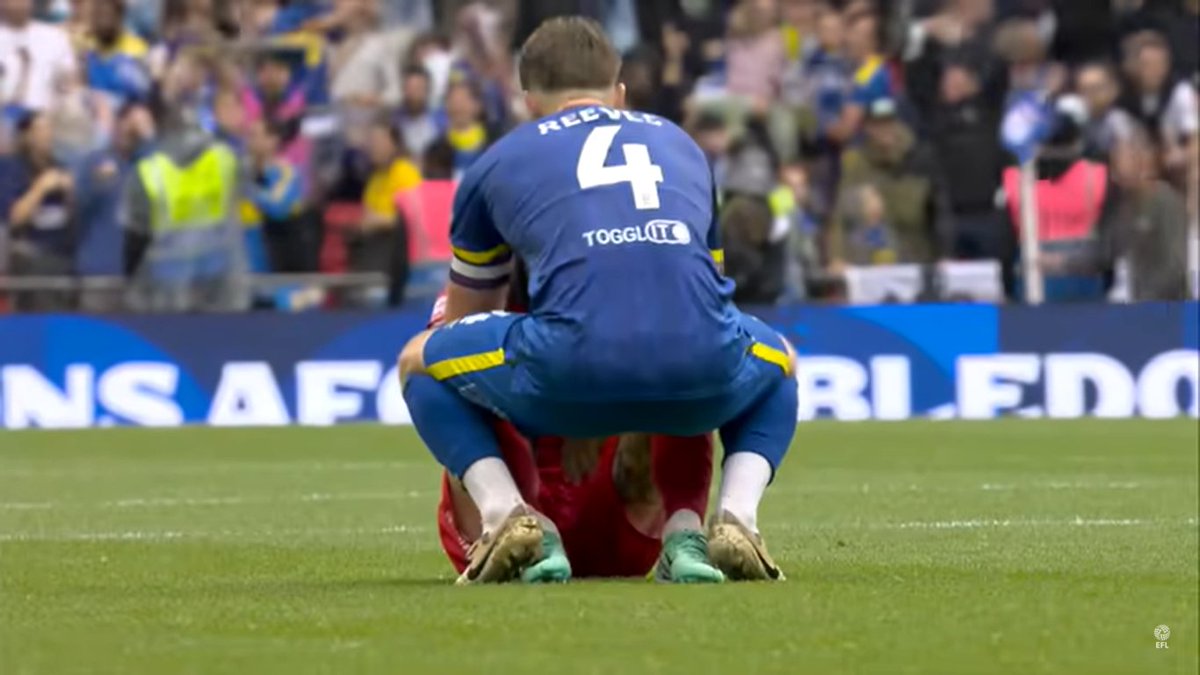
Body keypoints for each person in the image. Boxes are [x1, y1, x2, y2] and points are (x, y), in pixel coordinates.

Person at [398, 17, 796, 585]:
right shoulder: (681, 145)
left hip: (568, 370)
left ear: (528, 101)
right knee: (779, 364)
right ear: (621, 93)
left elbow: (465, 320)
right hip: (697, 373)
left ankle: (506, 515)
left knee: (421, 360)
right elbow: (709, 299)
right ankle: (736, 520)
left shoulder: (498, 163)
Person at [427, 284, 722, 583]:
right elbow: (424, 360)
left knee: (685, 360)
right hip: (503, 517)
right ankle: (510, 517)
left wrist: (597, 411)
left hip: (617, 516)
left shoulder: (620, 268)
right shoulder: (480, 280)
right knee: (443, 373)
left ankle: (685, 531)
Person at [122, 65, 250, 313]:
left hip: (166, 284)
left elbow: (134, 240)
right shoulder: (225, 158)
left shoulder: (148, 169)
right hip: (218, 278)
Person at [73, 102, 154, 311]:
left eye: (138, 127)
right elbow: (78, 205)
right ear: (117, 124)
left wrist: (148, 140)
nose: (131, 132)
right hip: (101, 273)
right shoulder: (95, 161)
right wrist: (100, 182)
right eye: (128, 124)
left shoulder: (152, 164)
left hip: (142, 276)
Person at [0, 112, 75, 311]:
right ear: (27, 136)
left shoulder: (60, 165)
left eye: (50, 128)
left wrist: (71, 193)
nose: (48, 134)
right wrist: (40, 188)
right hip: (31, 259)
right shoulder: (12, 168)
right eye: (41, 129)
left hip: (63, 258)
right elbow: (13, 217)